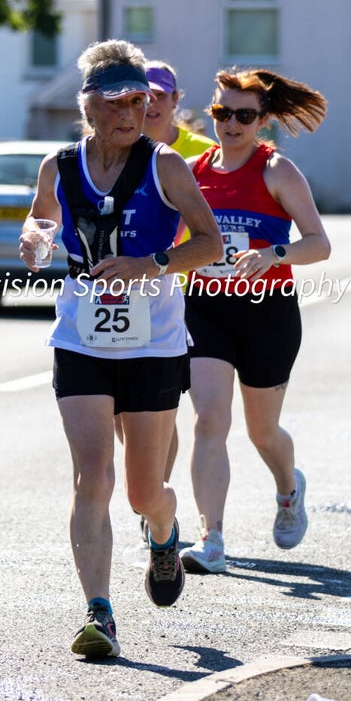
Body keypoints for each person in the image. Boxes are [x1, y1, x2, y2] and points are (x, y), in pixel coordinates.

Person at [19, 40, 222, 658]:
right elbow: (40, 221)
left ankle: (163, 534)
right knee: (92, 478)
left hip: (153, 343)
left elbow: (210, 242)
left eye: (140, 101)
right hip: (81, 337)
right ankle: (99, 613)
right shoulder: (58, 165)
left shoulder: (165, 166)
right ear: (88, 106)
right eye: (116, 104)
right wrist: (34, 240)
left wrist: (150, 262)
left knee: (141, 491)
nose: (130, 115)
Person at [178, 67, 331, 574]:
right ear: (211, 113)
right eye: (223, 113)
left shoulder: (276, 171)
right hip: (206, 308)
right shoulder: (193, 173)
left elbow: (319, 243)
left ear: (262, 120)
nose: (232, 124)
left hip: (268, 313)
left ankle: (289, 488)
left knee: (262, 433)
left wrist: (274, 253)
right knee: (209, 421)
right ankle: (211, 538)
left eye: (244, 115)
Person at [113, 60, 216, 498]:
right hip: (127, 295)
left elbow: (212, 231)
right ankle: (156, 495)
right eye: (142, 96)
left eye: (160, 95)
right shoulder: (113, 150)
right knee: (129, 418)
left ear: (177, 100)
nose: (151, 104)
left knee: (166, 410)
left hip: (197, 293)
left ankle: (157, 502)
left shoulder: (200, 153)